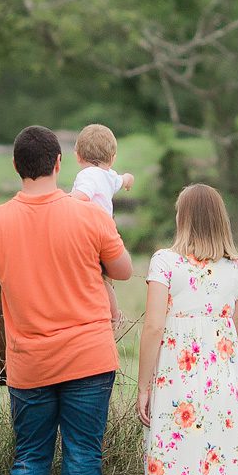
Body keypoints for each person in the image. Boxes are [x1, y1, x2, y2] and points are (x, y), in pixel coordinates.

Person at [0, 125, 134, 475]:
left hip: (29, 362)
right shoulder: (90, 216)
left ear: (15, 167)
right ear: (59, 164)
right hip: (88, 356)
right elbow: (122, 271)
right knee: (83, 456)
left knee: (30, 457)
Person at [135, 183, 238, 475]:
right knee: (219, 465)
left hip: (176, 381)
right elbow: (235, 329)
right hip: (221, 382)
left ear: (182, 217)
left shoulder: (165, 263)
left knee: (172, 462)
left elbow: (152, 328)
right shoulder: (233, 267)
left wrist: (143, 386)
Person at [69, 123, 135, 333]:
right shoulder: (109, 175)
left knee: (92, 274)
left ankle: (110, 316)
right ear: (112, 158)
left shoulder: (87, 176)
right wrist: (128, 180)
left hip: (89, 233)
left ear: (78, 156)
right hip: (107, 233)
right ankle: (114, 315)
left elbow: (82, 197)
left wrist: (61, 199)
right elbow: (124, 178)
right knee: (103, 277)